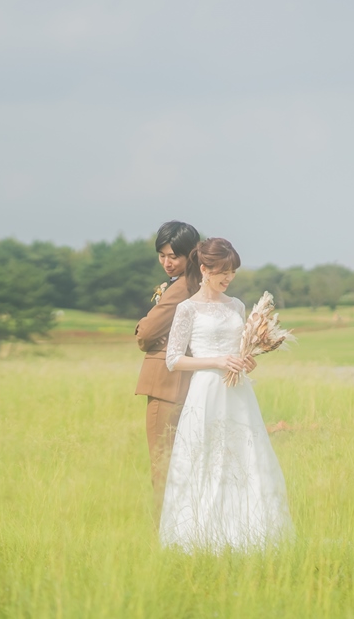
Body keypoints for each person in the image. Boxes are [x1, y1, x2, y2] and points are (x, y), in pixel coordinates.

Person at [160, 238, 293, 551]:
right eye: (223, 272)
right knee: (205, 458)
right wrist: (217, 361)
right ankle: (199, 536)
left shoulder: (236, 306)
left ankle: (248, 533)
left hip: (237, 393)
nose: (228, 278)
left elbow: (239, 351)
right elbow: (173, 359)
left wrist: (247, 361)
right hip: (206, 391)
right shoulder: (187, 309)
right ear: (205, 269)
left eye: (232, 272)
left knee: (243, 458)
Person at [134, 220, 201, 517]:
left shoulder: (181, 287)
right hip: (189, 383)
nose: (167, 263)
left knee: (163, 462)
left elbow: (146, 333)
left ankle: (163, 529)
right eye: (162, 256)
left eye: (174, 256)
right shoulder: (199, 282)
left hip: (165, 383)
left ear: (191, 254)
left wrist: (143, 327)